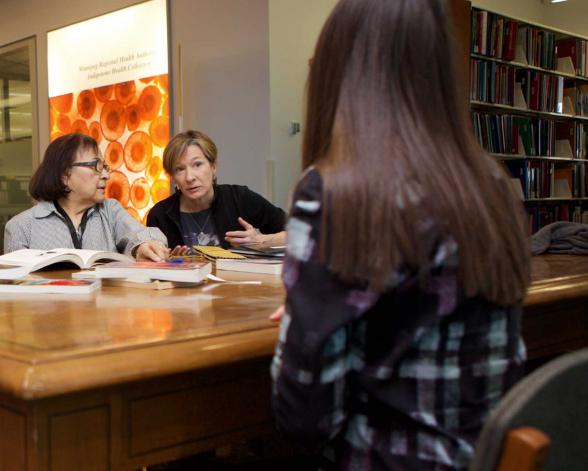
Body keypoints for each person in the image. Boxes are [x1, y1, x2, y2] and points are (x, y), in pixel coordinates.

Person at [270, 1, 530, 469]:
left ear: (336, 71)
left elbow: (305, 418)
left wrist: (303, 310)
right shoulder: (494, 188)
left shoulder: (336, 192)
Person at [4, 133, 169, 260]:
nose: (105, 175)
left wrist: (144, 246)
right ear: (64, 175)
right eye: (96, 166)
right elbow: (16, 287)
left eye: (105, 166)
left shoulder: (109, 210)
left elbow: (141, 235)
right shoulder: (21, 227)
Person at [146, 130, 286, 253]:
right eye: (179, 169)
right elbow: (152, 266)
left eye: (197, 164)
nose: (189, 177)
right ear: (173, 176)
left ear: (213, 166)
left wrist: (261, 241)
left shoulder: (239, 198)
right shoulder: (159, 215)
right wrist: (170, 263)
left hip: (237, 282)